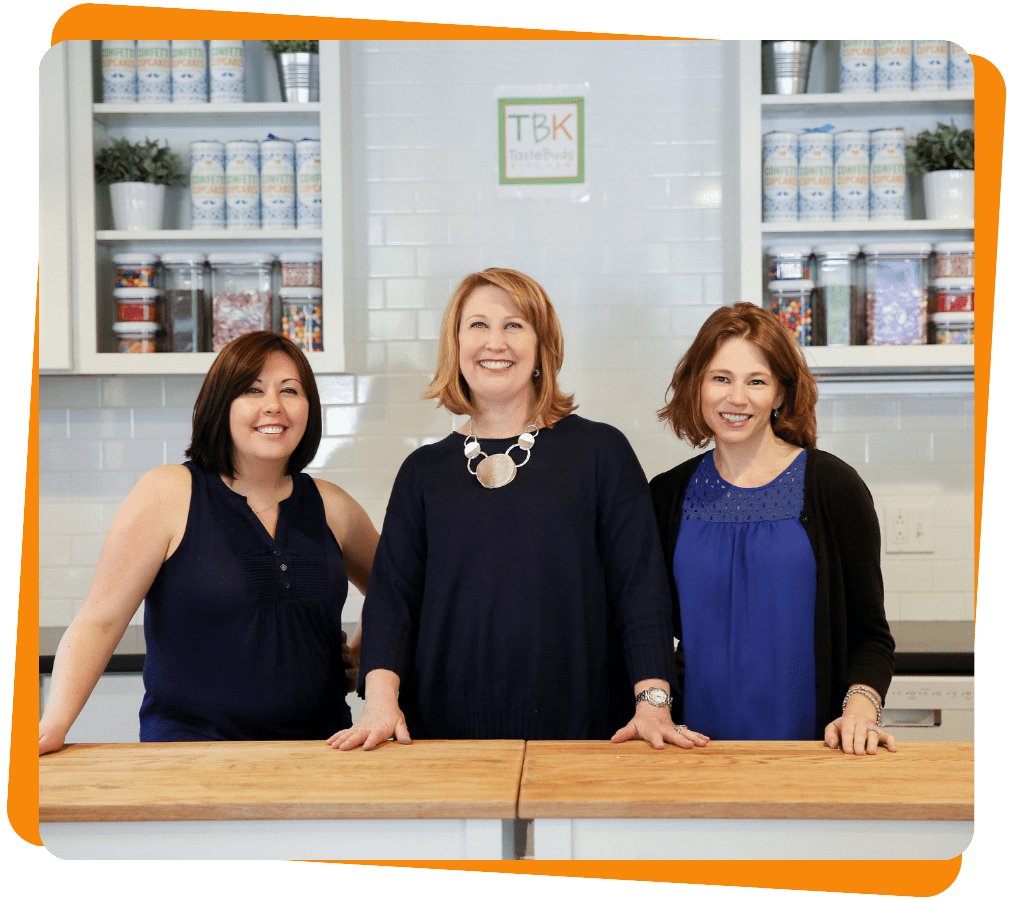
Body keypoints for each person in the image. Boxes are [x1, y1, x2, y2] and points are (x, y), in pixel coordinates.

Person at [328, 268, 709, 751]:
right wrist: (381, 704)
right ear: (455, 344)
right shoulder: (423, 471)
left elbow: (640, 589)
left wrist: (653, 703)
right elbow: (391, 600)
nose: (496, 342)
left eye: (514, 325)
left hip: (585, 733)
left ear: (542, 345)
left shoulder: (601, 452)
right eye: (478, 325)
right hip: (442, 737)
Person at [39, 332, 378, 752]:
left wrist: (362, 656)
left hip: (322, 753)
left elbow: (398, 592)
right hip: (191, 756)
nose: (274, 404)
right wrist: (53, 724)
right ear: (221, 404)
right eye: (253, 390)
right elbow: (99, 622)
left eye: (290, 390)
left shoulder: (333, 506)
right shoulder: (168, 492)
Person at [650, 302, 896, 755]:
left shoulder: (833, 487)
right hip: (694, 752)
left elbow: (871, 636)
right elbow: (646, 628)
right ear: (697, 385)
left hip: (812, 753)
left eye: (756, 381)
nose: (736, 398)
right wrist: (653, 706)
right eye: (720, 378)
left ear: (781, 394)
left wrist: (860, 709)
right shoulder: (668, 495)